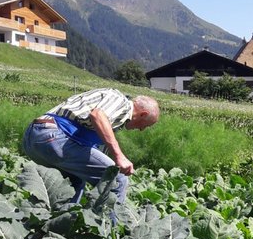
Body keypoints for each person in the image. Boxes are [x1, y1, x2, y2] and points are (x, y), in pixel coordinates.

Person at [22, 88, 160, 212]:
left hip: (36, 140)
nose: (142, 129)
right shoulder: (119, 100)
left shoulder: (115, 121)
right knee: (117, 179)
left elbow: (97, 155)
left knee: (72, 185)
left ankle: (57, 227)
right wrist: (119, 156)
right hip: (53, 136)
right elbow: (97, 115)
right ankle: (111, 232)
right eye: (146, 125)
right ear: (143, 114)